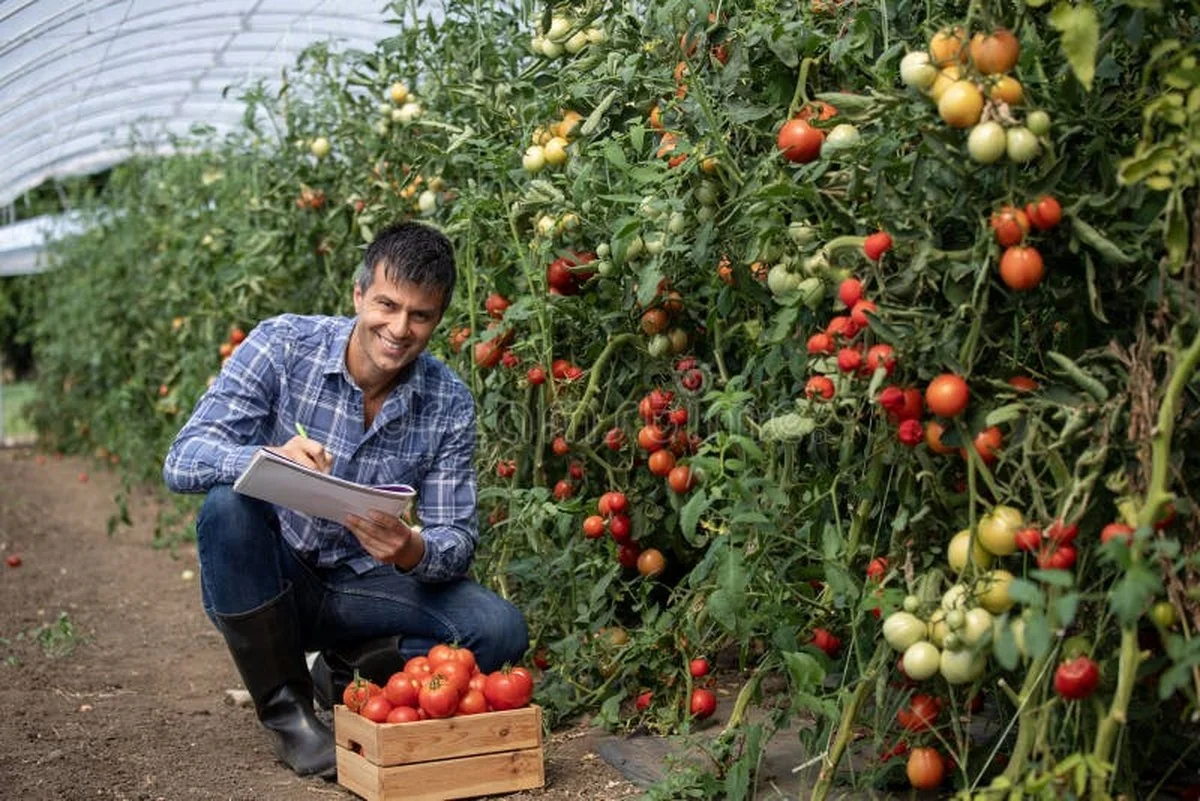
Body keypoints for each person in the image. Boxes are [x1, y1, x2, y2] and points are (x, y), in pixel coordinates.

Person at [162, 221, 529, 778]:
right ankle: (288, 715)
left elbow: (456, 538)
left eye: (420, 315)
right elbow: (183, 457)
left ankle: (343, 668)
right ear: (358, 294)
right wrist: (265, 460)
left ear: (438, 318)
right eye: (386, 304)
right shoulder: (284, 346)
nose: (399, 328)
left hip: (366, 587)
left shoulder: (447, 400)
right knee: (227, 508)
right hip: (273, 580)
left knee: (499, 630)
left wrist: (410, 548)